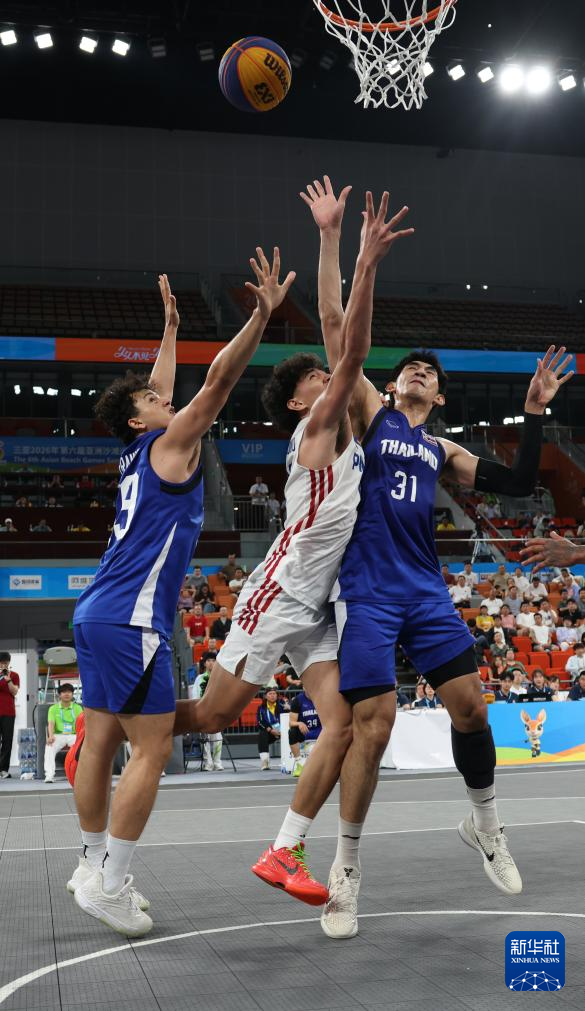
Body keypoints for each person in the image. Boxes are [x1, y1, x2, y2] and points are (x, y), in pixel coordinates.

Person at [265, 177, 571, 937]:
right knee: (372, 723)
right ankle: (346, 869)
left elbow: (518, 483)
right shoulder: (370, 415)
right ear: (393, 383)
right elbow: (335, 325)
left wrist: (534, 412)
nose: (419, 371)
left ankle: (484, 823)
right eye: (410, 367)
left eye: (429, 372)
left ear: (437, 397)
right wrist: (336, 242)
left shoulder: (440, 449)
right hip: (366, 590)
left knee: (471, 707)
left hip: (424, 590)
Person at [172, 187, 399, 909]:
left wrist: (334, 243)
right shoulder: (316, 430)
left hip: (320, 606)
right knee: (211, 716)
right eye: (316, 379)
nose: (330, 378)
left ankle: (284, 848)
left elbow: (336, 332)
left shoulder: (350, 433)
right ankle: (108, 722)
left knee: (344, 723)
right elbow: (347, 340)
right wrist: (346, 249)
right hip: (279, 593)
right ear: (302, 402)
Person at [69, 257, 295, 937]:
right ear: (141, 421)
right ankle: (111, 883)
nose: (164, 399)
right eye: (152, 401)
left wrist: (168, 330)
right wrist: (260, 318)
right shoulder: (167, 443)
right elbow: (219, 380)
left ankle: (90, 864)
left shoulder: (137, 453)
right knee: (153, 747)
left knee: (101, 739)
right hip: (133, 617)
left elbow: (159, 387)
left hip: (97, 611)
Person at [44, 684, 83, 783]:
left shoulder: (78, 708)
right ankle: (49, 776)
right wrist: (51, 736)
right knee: (49, 746)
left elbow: (82, 724)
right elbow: (51, 723)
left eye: (69, 692)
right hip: (58, 735)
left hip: (74, 735)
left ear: (72, 694)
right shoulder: (53, 708)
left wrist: (81, 738)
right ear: (59, 695)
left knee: (84, 748)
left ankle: (82, 775)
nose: (67, 694)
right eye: (64, 692)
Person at [289, 688, 322, 776]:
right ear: (303, 687)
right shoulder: (298, 700)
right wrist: (299, 723)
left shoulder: (322, 698)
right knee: (292, 732)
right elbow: (291, 722)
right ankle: (299, 763)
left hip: (321, 734)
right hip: (305, 733)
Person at [0, 652, 20, 778]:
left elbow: (14, 692)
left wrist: (8, 680)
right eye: (1, 663)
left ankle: (3, 769)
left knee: (7, 741)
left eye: (5, 663)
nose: (3, 665)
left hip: (8, 712)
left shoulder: (14, 675)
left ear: (9, 663)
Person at [257, 688, 287, 770]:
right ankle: (265, 762)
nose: (272, 695)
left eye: (274, 693)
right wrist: (271, 730)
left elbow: (291, 715)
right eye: (270, 694)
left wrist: (289, 707)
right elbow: (260, 722)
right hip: (271, 732)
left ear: (277, 695)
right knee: (262, 734)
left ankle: (290, 760)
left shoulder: (282, 704)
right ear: (265, 696)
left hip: (284, 730)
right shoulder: (261, 708)